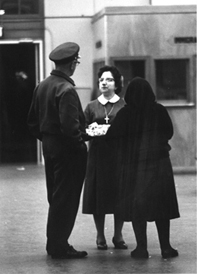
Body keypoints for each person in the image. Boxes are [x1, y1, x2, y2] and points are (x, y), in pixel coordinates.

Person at [106, 77, 180, 259]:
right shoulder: (159, 110)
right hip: (159, 164)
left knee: (138, 206)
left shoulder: (125, 114)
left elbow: (112, 136)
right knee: (162, 207)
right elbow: (169, 132)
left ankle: (142, 248)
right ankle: (166, 248)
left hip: (134, 165)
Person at [27, 42, 88, 259]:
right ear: (72, 64)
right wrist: (83, 140)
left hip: (49, 147)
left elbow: (32, 123)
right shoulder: (67, 89)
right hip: (68, 151)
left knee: (55, 197)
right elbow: (71, 129)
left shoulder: (41, 86)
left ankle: (54, 243)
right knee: (67, 199)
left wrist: (47, 139)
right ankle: (59, 246)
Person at [82, 65, 128, 250]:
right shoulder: (91, 106)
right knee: (98, 196)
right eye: (101, 80)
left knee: (120, 195)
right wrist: (91, 131)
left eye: (108, 80)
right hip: (98, 156)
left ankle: (118, 234)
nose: (104, 83)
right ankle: (100, 235)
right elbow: (83, 130)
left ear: (116, 84)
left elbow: (130, 129)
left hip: (119, 156)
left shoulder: (124, 105)